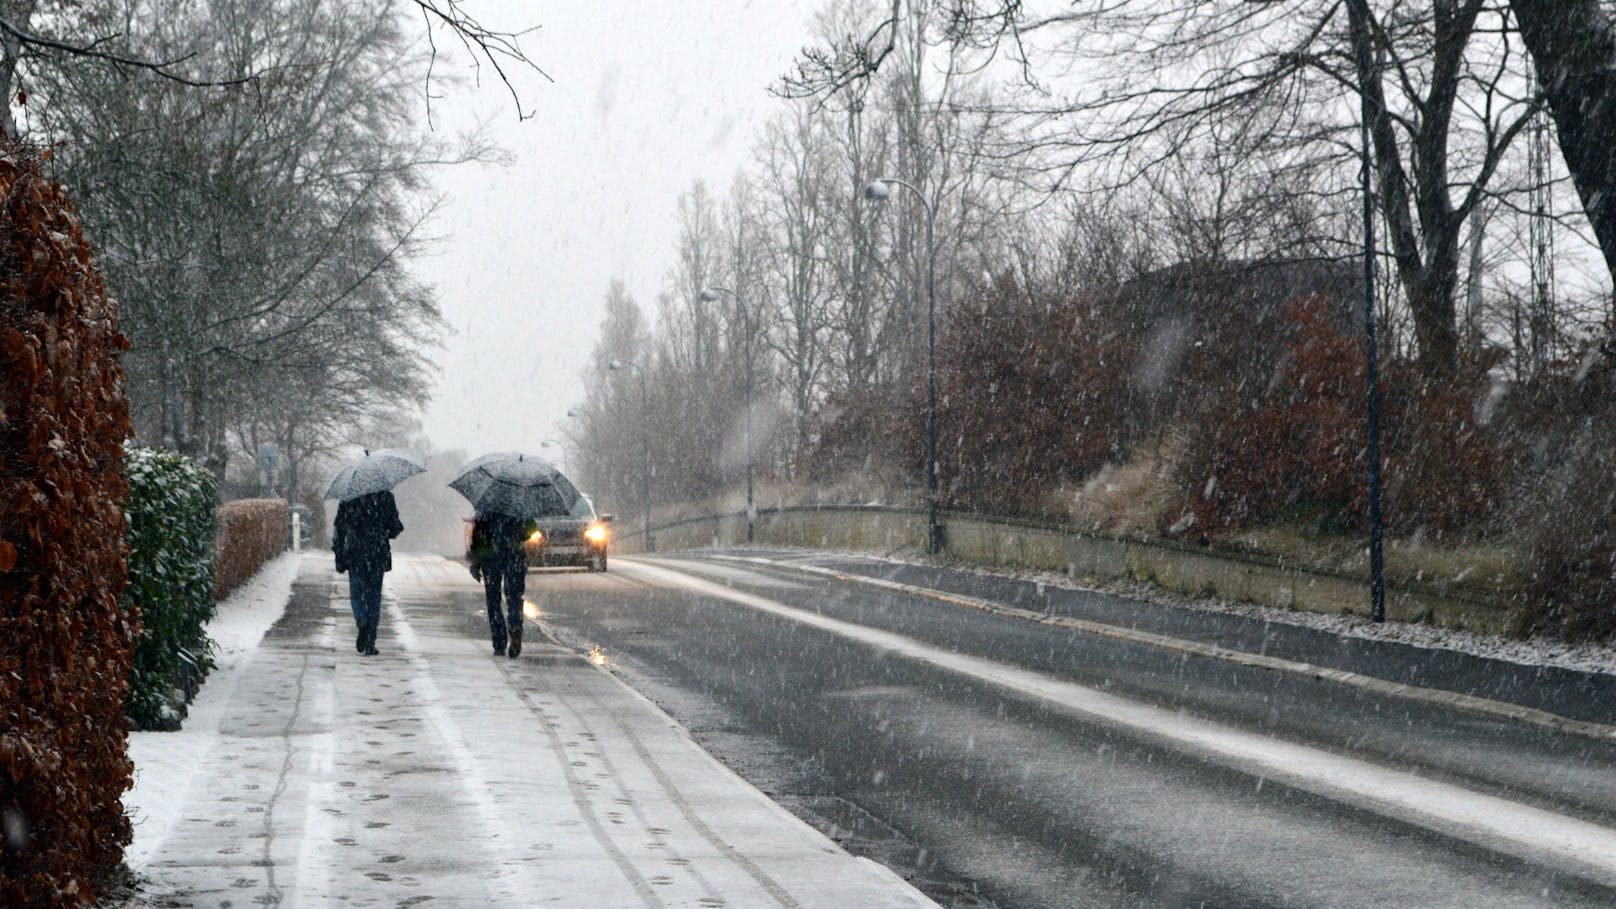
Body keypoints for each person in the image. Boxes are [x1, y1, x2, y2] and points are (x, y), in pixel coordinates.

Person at [332, 489, 403, 656]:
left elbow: (339, 528)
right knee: (374, 596)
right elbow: (394, 529)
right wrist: (385, 528)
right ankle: (370, 642)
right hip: (377, 554)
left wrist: (339, 554)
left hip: (355, 553)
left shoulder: (349, 497)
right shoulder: (385, 496)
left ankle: (362, 621)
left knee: (357, 595)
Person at [469, 510, 535, 657]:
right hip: (515, 556)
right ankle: (515, 625)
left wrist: (475, 563)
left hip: (491, 557)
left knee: (493, 600)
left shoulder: (486, 507)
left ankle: (499, 644)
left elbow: (478, 535)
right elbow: (530, 531)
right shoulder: (520, 505)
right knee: (514, 597)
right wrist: (517, 535)